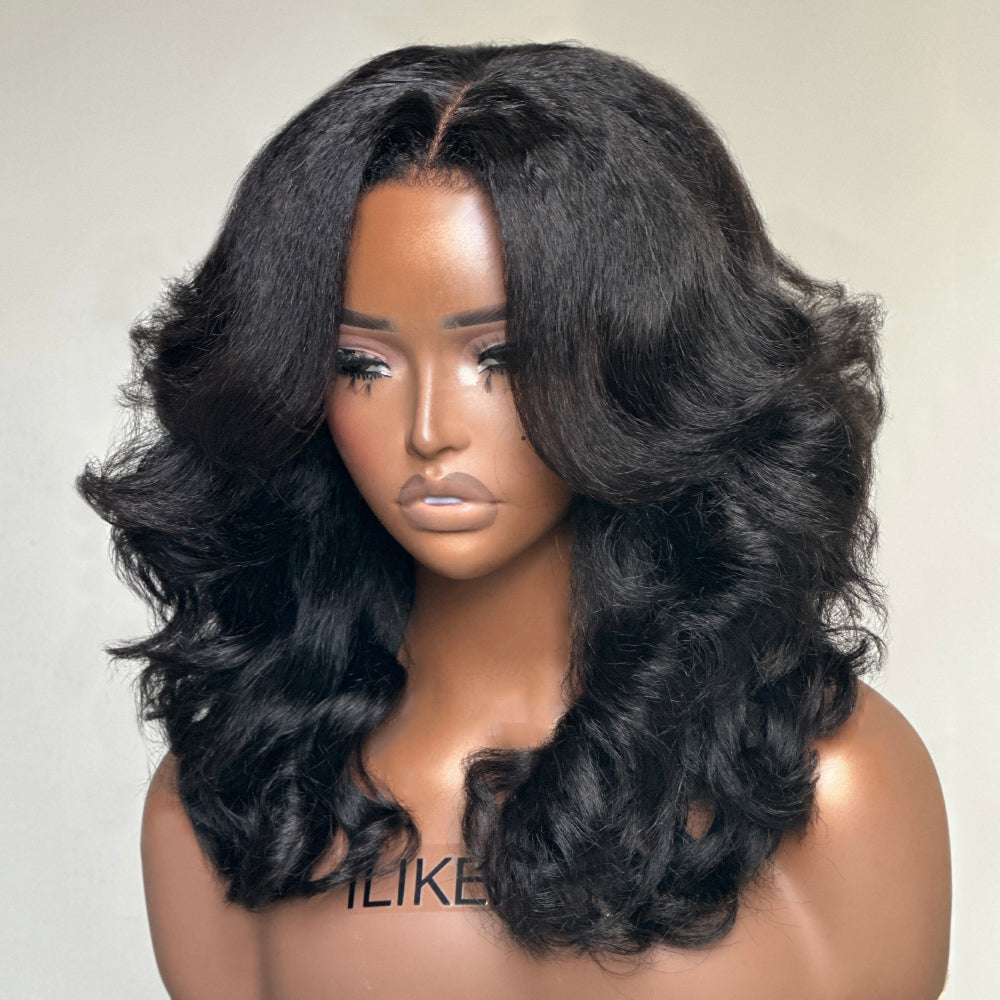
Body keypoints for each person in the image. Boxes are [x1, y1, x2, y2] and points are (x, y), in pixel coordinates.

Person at [79, 42, 950, 999]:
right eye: (362, 364)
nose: (428, 431)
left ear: (642, 366)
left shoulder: (833, 790)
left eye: (499, 358)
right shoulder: (231, 808)